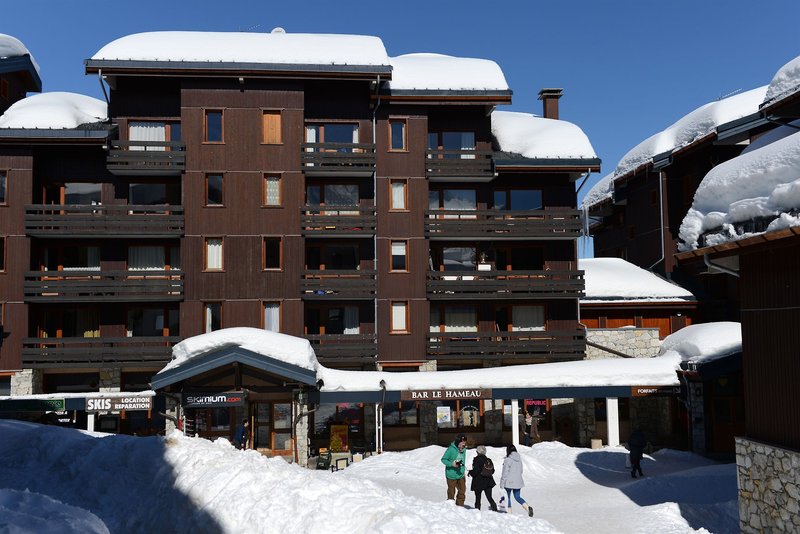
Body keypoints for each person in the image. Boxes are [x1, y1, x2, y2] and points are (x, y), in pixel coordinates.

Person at [500, 444, 533, 517]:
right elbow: (521, 470)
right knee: (517, 497)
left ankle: (509, 514)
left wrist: (502, 484)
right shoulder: (519, 459)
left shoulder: (507, 460)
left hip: (508, 482)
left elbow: (505, 472)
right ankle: (527, 508)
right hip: (518, 481)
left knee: (507, 497)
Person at [440, 433, 468, 506]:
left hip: (460, 474)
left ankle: (460, 506)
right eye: (463, 441)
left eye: (465, 441)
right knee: (451, 492)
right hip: (451, 474)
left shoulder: (464, 449)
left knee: (462, 490)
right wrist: (452, 464)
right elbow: (443, 459)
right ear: (458, 441)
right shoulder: (451, 449)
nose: (464, 443)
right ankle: (451, 507)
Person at [467, 445, 497, 511]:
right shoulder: (488, 460)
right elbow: (493, 471)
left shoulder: (476, 459)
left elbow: (476, 471)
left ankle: (477, 512)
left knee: (478, 498)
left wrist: (470, 472)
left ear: (477, 452)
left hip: (478, 482)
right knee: (489, 497)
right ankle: (495, 510)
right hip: (489, 481)